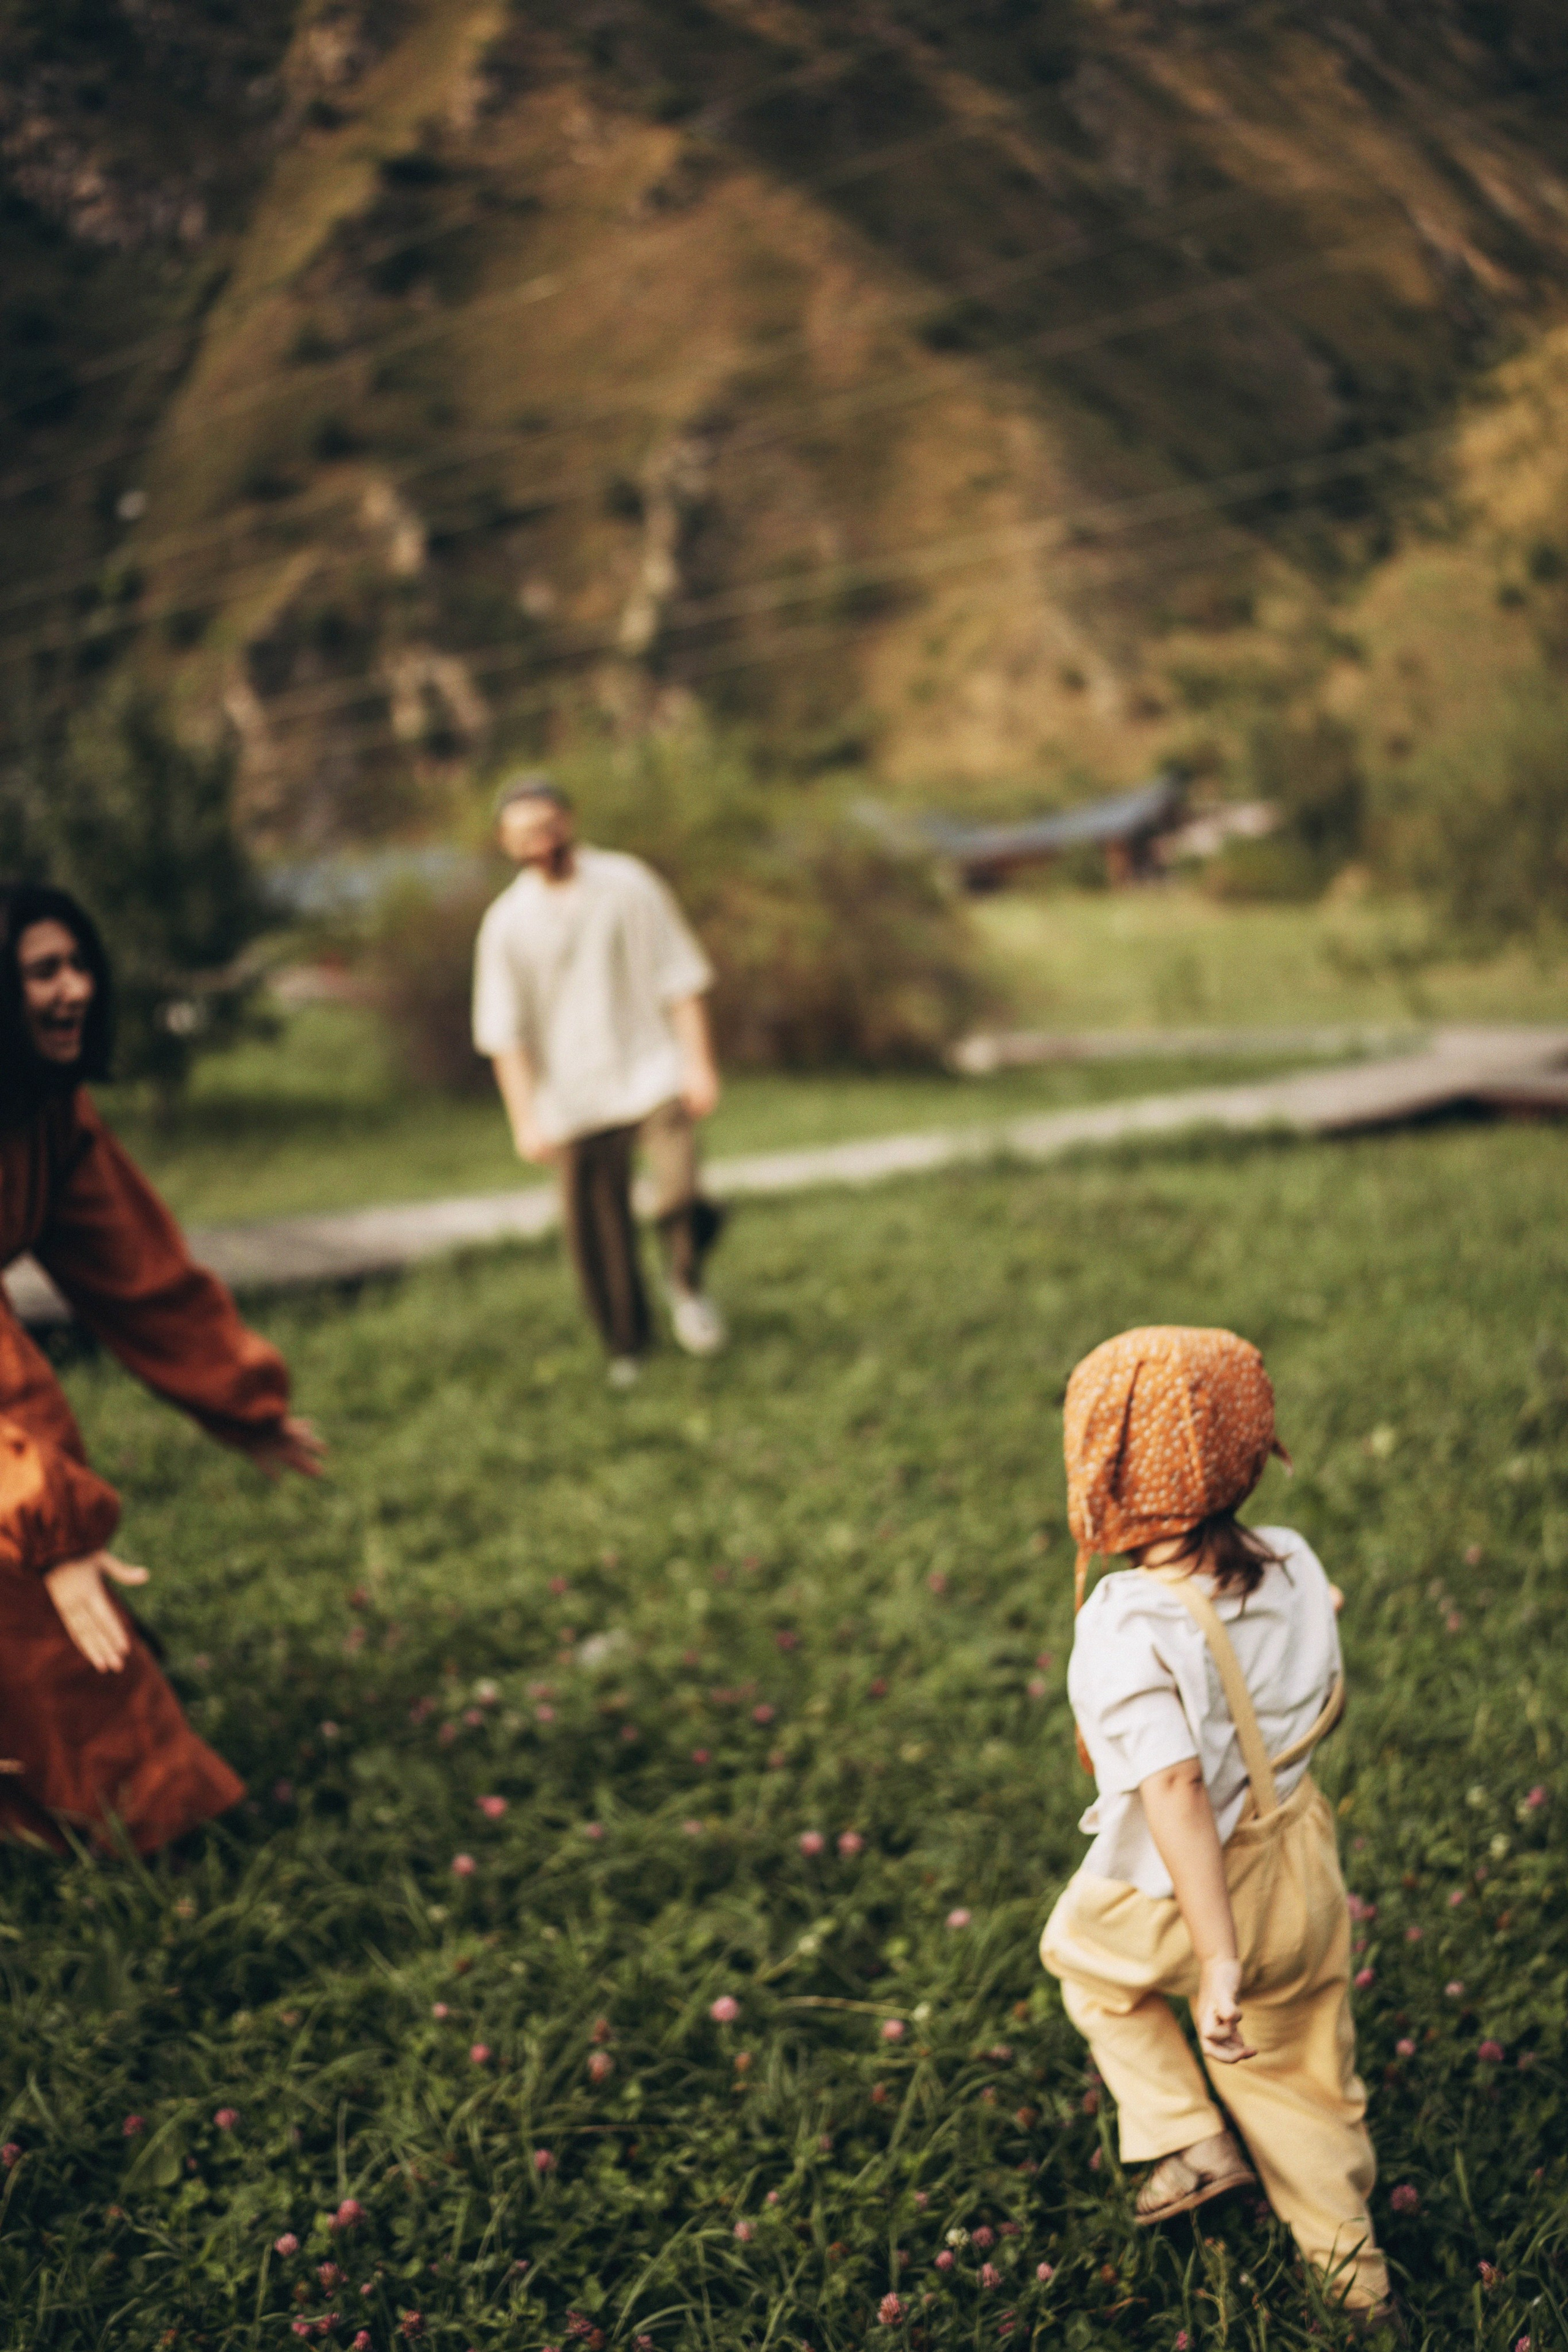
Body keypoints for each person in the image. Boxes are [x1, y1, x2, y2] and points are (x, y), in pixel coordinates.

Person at [1039, 1325, 1395, 2331]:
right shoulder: (1291, 1560)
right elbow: (1305, 1625)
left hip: (1190, 1896)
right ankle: (1361, 2291)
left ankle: (1187, 2136)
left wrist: (1220, 1960)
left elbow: (1178, 1790)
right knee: (1300, 2079)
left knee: (1086, 1964)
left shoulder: (1130, 1625)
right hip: (1304, 1864)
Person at [0, 883, 323, 1855]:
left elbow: (135, 1266)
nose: (76, 990)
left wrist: (243, 1399)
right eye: (43, 972)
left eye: (80, 964)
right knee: (26, 1567)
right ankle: (158, 1836)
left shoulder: (52, 1111)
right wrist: (49, 1524)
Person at [473, 772, 727, 1384]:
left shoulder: (628, 884)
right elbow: (504, 1034)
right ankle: (627, 1345)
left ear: (570, 820)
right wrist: (524, 1119)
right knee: (596, 1232)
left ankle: (686, 1283)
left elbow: (681, 979)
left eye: (549, 826)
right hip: (571, 1094)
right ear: (507, 843)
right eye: (525, 834)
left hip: (651, 1070)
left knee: (680, 1191)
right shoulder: (506, 924)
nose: (541, 842)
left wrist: (699, 1063)